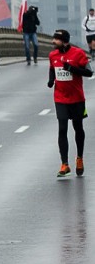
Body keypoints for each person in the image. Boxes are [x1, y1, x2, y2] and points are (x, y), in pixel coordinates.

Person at [47, 29, 93, 177]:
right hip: (60, 98)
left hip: (77, 98)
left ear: (64, 41)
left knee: (78, 128)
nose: (53, 42)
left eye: (56, 39)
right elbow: (52, 69)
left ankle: (79, 158)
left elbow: (89, 72)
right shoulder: (52, 55)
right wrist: (50, 79)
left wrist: (72, 69)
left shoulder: (78, 53)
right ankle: (64, 164)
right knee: (62, 129)